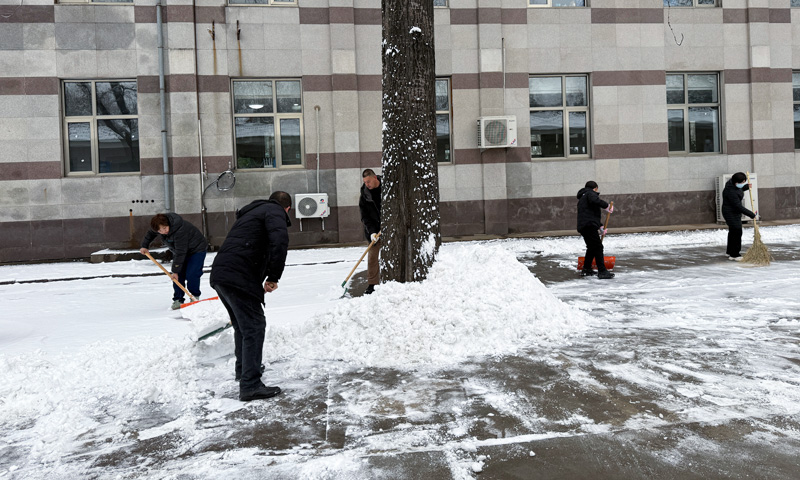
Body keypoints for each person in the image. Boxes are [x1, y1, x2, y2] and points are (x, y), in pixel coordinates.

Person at [209, 191, 291, 402]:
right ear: (287, 208)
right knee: (254, 327)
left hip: (221, 273)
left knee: (243, 326)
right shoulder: (275, 212)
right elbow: (279, 243)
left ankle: (244, 370)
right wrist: (273, 277)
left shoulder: (252, 213)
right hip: (238, 275)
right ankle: (250, 385)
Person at [140, 213, 207, 309]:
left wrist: (175, 271)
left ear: (168, 224)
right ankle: (178, 299)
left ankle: (194, 296)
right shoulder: (159, 227)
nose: (163, 232)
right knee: (178, 276)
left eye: (164, 228)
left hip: (196, 249)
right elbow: (150, 234)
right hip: (180, 251)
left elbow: (181, 252)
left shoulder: (180, 229)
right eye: (160, 231)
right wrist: (144, 246)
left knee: (192, 273)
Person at [577, 181, 615, 279]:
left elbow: (590, 214)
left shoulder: (583, 197)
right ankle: (602, 271)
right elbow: (595, 201)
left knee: (591, 247)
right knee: (598, 247)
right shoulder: (590, 193)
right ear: (595, 188)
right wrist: (606, 205)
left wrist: (600, 227)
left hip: (584, 226)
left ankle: (586, 269)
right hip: (589, 225)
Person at [721, 172, 756, 261]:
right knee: (737, 231)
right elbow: (738, 207)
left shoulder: (732, 185)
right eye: (742, 182)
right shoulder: (731, 192)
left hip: (733, 211)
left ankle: (730, 251)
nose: (743, 183)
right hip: (730, 213)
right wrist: (751, 214)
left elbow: (738, 190)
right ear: (736, 182)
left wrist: (745, 187)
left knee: (733, 232)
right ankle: (734, 254)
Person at [359, 169, 381, 295]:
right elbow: (365, 216)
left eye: (368, 181)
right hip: (374, 230)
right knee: (372, 257)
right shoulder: (365, 194)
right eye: (365, 182)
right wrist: (372, 232)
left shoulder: (387, 187)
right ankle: (372, 284)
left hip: (389, 227)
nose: (367, 184)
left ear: (375, 178)